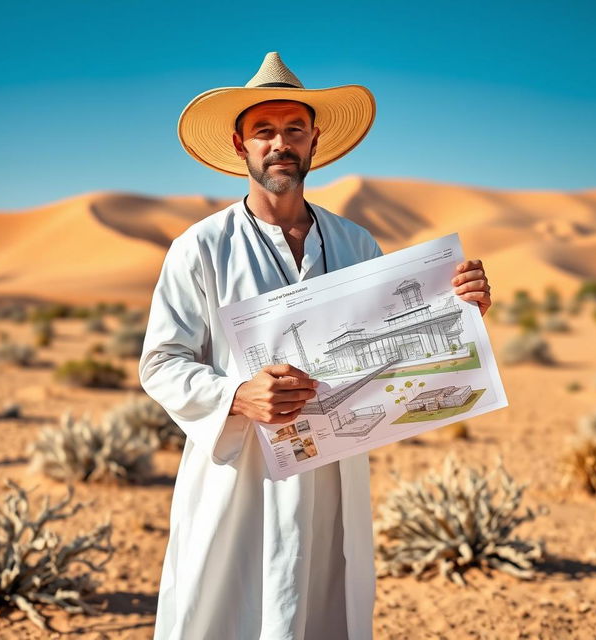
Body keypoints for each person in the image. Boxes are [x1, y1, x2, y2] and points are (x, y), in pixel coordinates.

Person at [138, 52, 492, 640]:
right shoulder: (200, 247)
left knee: (327, 606)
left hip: (336, 471)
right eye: (264, 131)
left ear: (314, 141)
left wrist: (460, 311)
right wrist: (236, 395)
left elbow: (399, 342)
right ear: (240, 145)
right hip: (240, 476)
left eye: (294, 129)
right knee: (225, 611)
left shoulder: (356, 242)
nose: (281, 143)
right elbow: (161, 362)